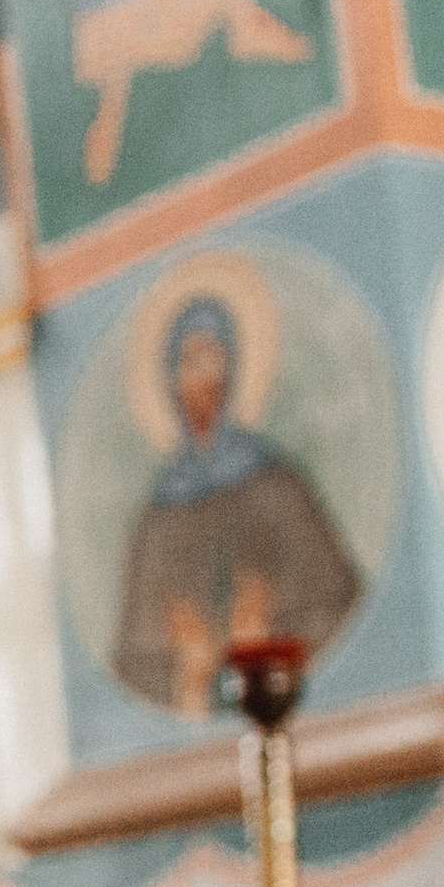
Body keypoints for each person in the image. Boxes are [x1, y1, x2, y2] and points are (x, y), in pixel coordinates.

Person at [113, 294, 361, 715]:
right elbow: (132, 657)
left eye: (214, 357)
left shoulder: (277, 486)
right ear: (169, 380)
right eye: (189, 361)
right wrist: (184, 662)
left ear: (235, 369)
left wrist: (268, 625)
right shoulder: (158, 518)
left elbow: (337, 599)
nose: (202, 379)